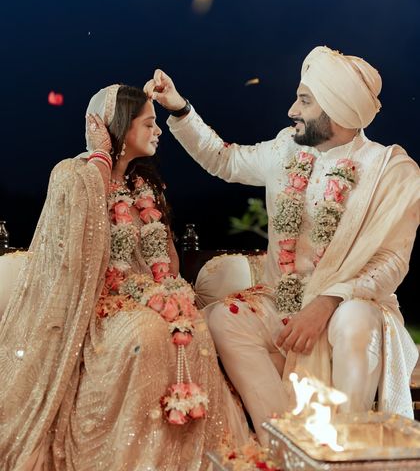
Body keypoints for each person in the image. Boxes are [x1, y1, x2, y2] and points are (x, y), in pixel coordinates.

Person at [144, 46, 420, 444]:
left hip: (352, 304)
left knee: (354, 323)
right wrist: (181, 110)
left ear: (338, 110)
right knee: (224, 318)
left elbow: (391, 261)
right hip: (284, 300)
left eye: (305, 100)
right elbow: (225, 160)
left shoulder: (391, 171)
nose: (292, 109)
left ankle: (345, 449)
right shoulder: (285, 150)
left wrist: (327, 303)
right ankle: (285, 443)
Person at [0, 84, 249, 470]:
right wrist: (101, 155)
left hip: (145, 297)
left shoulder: (143, 186)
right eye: (149, 122)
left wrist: (159, 224)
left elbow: (167, 266)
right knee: (144, 335)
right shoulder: (73, 174)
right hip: (93, 306)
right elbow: (81, 251)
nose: (158, 130)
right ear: (120, 126)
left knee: (194, 326)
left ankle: (186, 457)